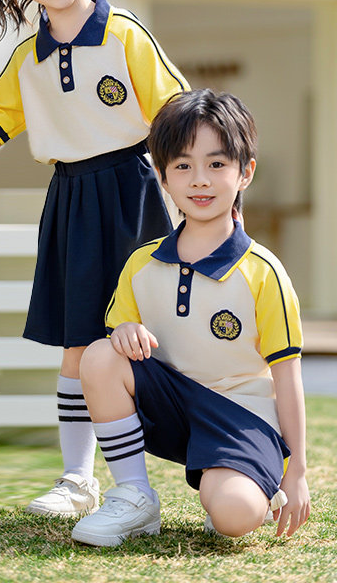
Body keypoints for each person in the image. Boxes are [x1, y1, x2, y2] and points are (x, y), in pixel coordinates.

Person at [0, 0, 188, 517]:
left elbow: (177, 121)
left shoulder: (126, 34)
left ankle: (217, 458)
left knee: (153, 337)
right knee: (80, 344)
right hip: (72, 202)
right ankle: (82, 481)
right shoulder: (27, 59)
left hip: (136, 193)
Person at [71, 89, 310, 546]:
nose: (200, 180)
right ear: (162, 176)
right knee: (100, 354)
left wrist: (297, 470)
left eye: (216, 164)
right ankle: (135, 497)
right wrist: (125, 332)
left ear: (245, 173)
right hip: (173, 404)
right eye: (183, 166)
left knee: (233, 517)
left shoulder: (263, 272)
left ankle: (244, 483)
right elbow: (117, 341)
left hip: (241, 416)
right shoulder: (141, 263)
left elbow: (287, 375)